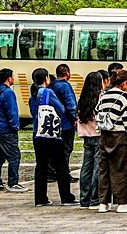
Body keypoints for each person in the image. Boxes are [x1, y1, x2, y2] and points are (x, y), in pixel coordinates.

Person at [29, 67, 76, 207]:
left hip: (37, 133)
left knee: (41, 166)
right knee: (61, 165)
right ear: (46, 79)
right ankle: (66, 197)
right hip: (51, 133)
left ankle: (40, 198)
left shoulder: (33, 94)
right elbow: (61, 109)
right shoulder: (48, 92)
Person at [96, 68, 127, 213]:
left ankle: (103, 202)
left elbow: (98, 112)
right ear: (125, 82)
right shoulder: (124, 97)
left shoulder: (104, 96)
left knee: (104, 170)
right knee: (122, 170)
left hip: (104, 135)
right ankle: (123, 202)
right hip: (120, 136)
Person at [0, 68, 25, 194]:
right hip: (6, 129)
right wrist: (15, 127)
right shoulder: (8, 93)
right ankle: (13, 183)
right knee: (14, 155)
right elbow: (12, 112)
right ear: (9, 78)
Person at [76, 71, 104, 210]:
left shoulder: (83, 98)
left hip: (86, 136)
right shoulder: (101, 98)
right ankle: (95, 199)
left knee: (86, 167)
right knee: (97, 168)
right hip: (98, 135)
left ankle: (84, 199)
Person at [50, 64, 79, 165]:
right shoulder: (65, 86)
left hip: (54, 122)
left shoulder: (52, 85)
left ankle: (53, 172)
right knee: (66, 149)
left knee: (55, 149)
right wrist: (75, 118)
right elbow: (70, 104)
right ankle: (64, 173)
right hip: (66, 123)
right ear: (67, 73)